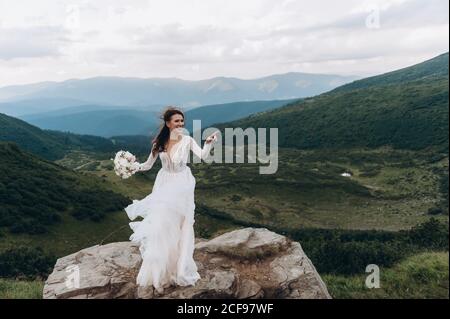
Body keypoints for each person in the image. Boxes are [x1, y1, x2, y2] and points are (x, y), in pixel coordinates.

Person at [124, 107, 218, 293]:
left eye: (182, 121)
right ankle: (159, 270)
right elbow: (147, 165)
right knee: (161, 224)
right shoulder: (159, 143)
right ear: (168, 123)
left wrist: (208, 143)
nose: (181, 124)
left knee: (179, 224)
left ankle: (179, 267)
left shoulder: (188, 140)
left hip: (182, 184)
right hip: (164, 182)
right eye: (177, 121)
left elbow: (203, 155)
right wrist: (130, 166)